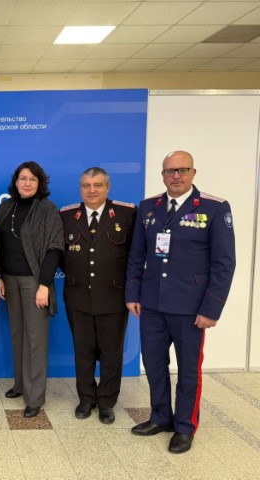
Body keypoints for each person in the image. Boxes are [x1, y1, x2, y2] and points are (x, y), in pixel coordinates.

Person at [126, 150, 235, 454]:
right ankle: (161, 417)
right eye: (169, 171)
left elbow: (224, 263)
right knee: (154, 365)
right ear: (162, 175)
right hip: (152, 305)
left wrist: (211, 308)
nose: (175, 176)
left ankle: (185, 427)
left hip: (191, 308)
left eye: (182, 170)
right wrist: (133, 294)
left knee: (188, 371)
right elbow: (137, 255)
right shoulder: (148, 207)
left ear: (193, 173)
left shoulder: (214, 208)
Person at [59, 167, 136, 424]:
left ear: (108, 187)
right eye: (86, 185)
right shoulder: (67, 215)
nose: (91, 190)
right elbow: (61, 255)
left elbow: (135, 256)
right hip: (78, 295)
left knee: (111, 353)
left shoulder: (127, 214)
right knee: (83, 351)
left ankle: (106, 402)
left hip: (113, 296)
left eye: (97, 185)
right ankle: (86, 399)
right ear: (80, 188)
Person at [0, 161, 64, 418]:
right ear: (16, 181)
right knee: (18, 334)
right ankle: (20, 384)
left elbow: (55, 248)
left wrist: (44, 284)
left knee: (35, 339)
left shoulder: (47, 209)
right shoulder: (5, 208)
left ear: (40, 183)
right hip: (9, 280)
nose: (27, 183)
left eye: (32, 179)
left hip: (35, 281)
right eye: (23, 178)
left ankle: (34, 397)